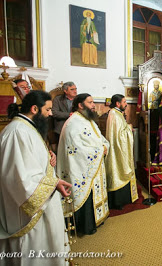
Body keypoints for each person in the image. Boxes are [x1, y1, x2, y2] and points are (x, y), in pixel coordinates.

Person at [0, 91, 72, 265]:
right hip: (27, 210)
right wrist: (54, 183)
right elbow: (20, 178)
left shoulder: (26, 128)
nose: (51, 113)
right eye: (48, 109)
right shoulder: (18, 132)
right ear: (35, 108)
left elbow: (30, 160)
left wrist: (48, 155)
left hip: (44, 197)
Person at [57, 93, 110, 235]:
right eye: (90, 102)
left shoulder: (88, 120)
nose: (94, 105)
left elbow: (99, 137)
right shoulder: (73, 123)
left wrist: (105, 145)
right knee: (85, 193)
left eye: (93, 102)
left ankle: (97, 218)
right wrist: (100, 150)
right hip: (81, 167)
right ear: (80, 105)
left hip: (94, 164)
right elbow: (76, 149)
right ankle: (86, 225)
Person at [105, 94, 138, 209]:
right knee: (119, 170)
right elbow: (119, 137)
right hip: (117, 150)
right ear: (118, 103)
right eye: (124, 102)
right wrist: (129, 127)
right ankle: (118, 202)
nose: (126, 104)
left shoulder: (117, 113)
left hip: (119, 149)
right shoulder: (114, 114)